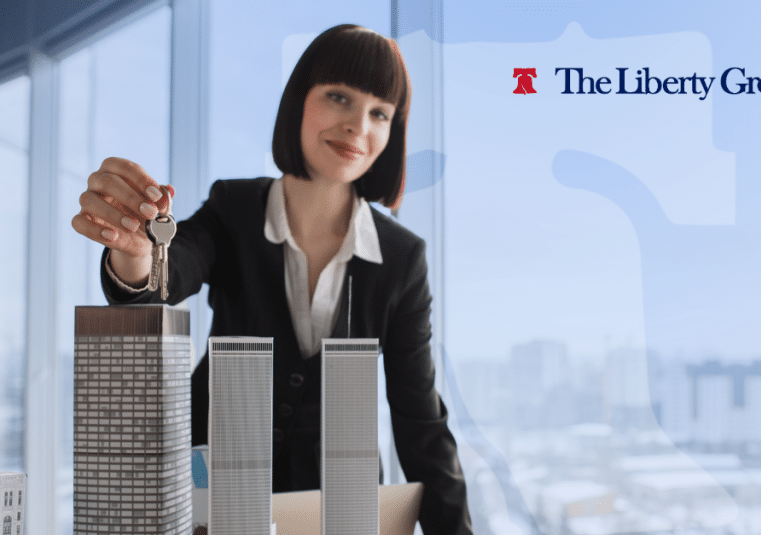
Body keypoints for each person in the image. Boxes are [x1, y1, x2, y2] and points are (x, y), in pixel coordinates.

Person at [72, 24, 472, 535]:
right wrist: (135, 252)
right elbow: (169, 271)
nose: (358, 126)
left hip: (331, 510)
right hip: (207, 497)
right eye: (338, 96)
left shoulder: (401, 258)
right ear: (298, 101)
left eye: (379, 113)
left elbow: (421, 424)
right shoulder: (233, 208)